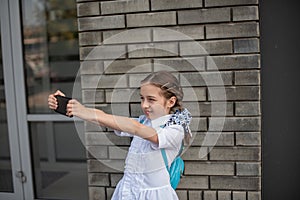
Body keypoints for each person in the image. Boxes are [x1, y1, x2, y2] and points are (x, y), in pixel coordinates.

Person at [48, 71, 192, 200]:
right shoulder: (143, 121)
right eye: (142, 98)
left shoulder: (175, 130)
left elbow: (136, 129)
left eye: (151, 99)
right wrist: (74, 107)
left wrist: (83, 112)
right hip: (128, 191)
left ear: (171, 102)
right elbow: (106, 118)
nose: (144, 105)